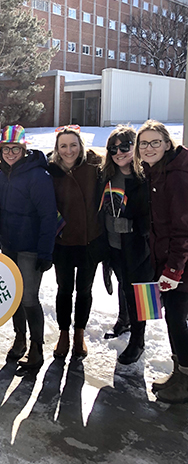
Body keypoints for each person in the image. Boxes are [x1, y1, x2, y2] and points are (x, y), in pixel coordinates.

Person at [133, 120, 188, 403]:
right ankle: (180, 374)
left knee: (178, 320)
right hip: (167, 259)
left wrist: (175, 268)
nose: (149, 147)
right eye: (144, 143)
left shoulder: (177, 175)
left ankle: (186, 380)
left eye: (155, 142)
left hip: (179, 264)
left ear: (168, 144)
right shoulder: (157, 171)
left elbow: (183, 227)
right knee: (174, 319)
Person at [0, 125, 57, 369]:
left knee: (29, 298)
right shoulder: (2, 173)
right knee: (13, 298)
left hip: (30, 248)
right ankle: (19, 338)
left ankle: (37, 348)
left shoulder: (37, 175)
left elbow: (48, 215)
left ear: (24, 149)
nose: (10, 153)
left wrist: (45, 251)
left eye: (16, 149)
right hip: (9, 245)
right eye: (6, 149)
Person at [99, 126, 154, 364]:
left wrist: (132, 227)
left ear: (136, 147)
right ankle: (124, 320)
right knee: (124, 286)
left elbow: (153, 217)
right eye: (114, 148)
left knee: (141, 294)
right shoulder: (107, 175)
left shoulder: (146, 177)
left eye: (125, 147)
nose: (119, 152)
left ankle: (138, 341)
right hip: (114, 245)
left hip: (140, 247)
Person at [48, 126, 104, 359]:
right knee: (64, 290)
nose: (68, 150)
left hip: (89, 240)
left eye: (73, 145)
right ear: (57, 149)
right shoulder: (51, 171)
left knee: (84, 290)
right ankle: (63, 333)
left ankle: (79, 333)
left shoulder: (94, 167)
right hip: (63, 241)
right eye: (63, 146)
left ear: (80, 146)